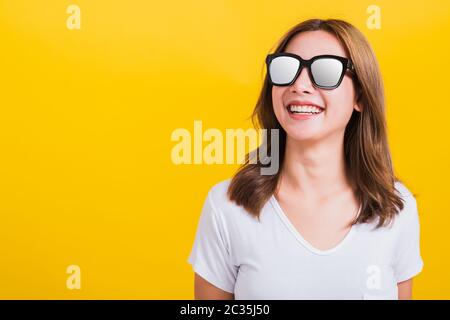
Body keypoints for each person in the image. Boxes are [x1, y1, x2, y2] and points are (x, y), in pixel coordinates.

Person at [187, 18, 423, 300]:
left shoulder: (396, 208)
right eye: (287, 67)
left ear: (360, 95)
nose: (299, 85)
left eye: (325, 70)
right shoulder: (227, 206)